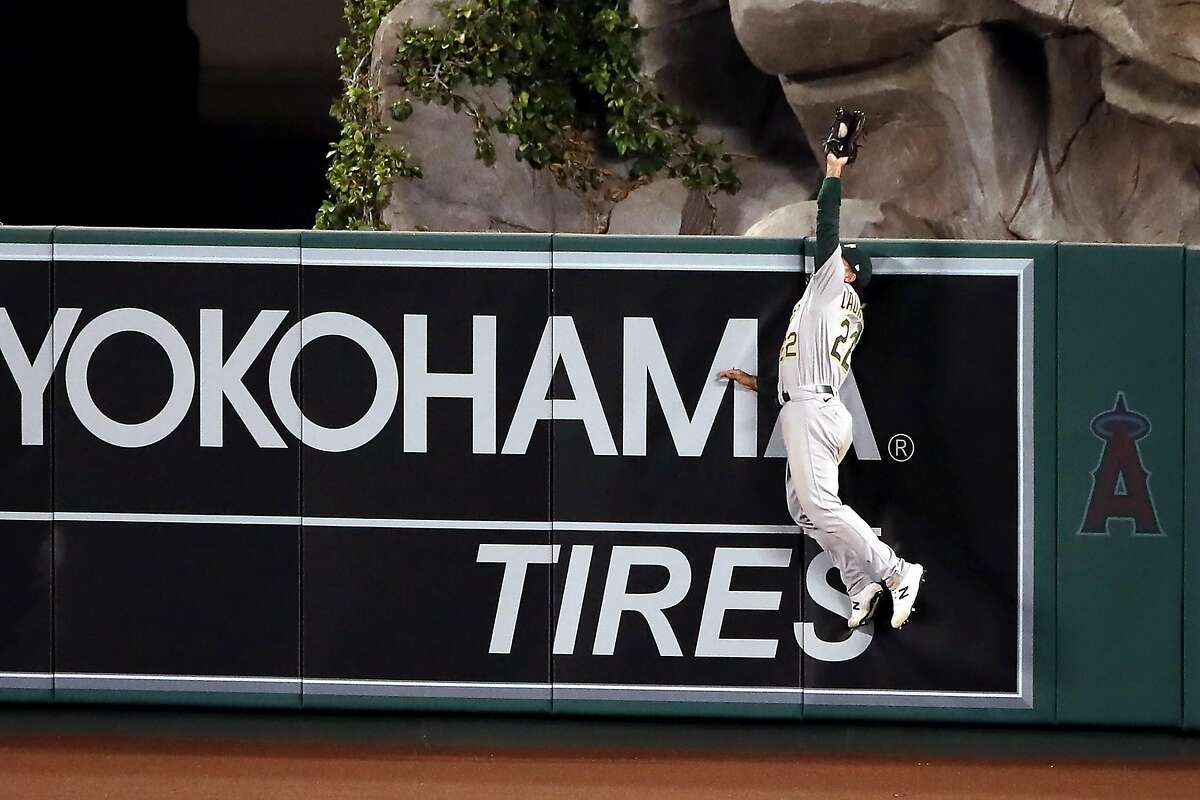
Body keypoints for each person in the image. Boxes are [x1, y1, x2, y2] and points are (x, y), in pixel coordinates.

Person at [720, 151, 924, 630]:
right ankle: (859, 580)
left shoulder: (834, 289)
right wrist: (759, 384)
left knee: (818, 505)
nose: (830, 259)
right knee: (803, 510)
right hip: (810, 404)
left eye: (839, 261)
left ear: (848, 273)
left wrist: (833, 172)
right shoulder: (830, 304)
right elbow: (799, 367)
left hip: (813, 408)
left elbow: (826, 224)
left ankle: (897, 571)